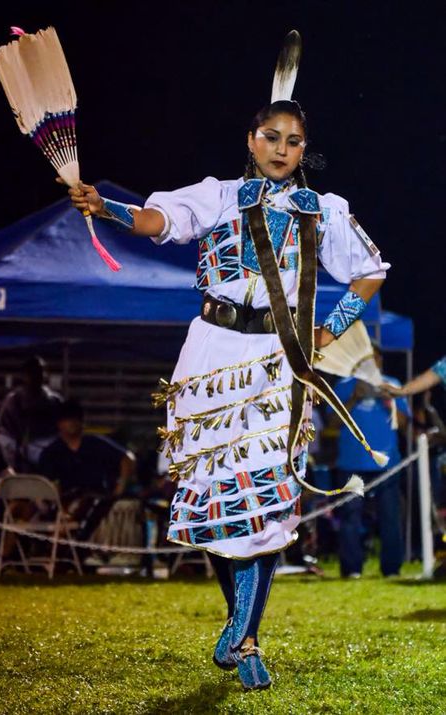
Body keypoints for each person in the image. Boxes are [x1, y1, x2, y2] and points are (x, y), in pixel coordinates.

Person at [66, 31, 389, 690]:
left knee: (267, 498)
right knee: (219, 499)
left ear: (305, 151)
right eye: (271, 135)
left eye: (294, 141)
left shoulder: (321, 211)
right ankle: (245, 638)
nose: (282, 148)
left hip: (278, 358)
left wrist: (328, 331)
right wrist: (110, 208)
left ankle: (241, 632)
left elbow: (369, 273)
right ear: (252, 139)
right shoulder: (216, 196)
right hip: (212, 354)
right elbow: (162, 221)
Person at [328, 344, 410, 577]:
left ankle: (391, 569)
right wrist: (354, 398)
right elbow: (331, 424)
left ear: (381, 362)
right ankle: (352, 569)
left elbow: (404, 425)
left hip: (388, 464)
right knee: (350, 519)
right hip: (351, 464)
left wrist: (390, 401)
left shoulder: (392, 383)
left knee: (391, 517)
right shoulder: (343, 386)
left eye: (374, 360)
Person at [39, 398, 136, 540]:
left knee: (90, 504)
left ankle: (71, 544)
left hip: (96, 494)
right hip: (67, 497)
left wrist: (119, 487)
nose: (72, 422)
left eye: (75, 418)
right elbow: (49, 482)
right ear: (59, 423)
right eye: (67, 418)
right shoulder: (51, 451)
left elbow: (127, 459)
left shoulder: (94, 443)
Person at [0, 356, 63, 471]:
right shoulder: (13, 400)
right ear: (25, 375)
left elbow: (62, 430)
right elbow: (3, 430)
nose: (38, 376)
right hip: (16, 452)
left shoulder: (55, 401)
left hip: (46, 452)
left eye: (41, 371)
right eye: (33, 372)